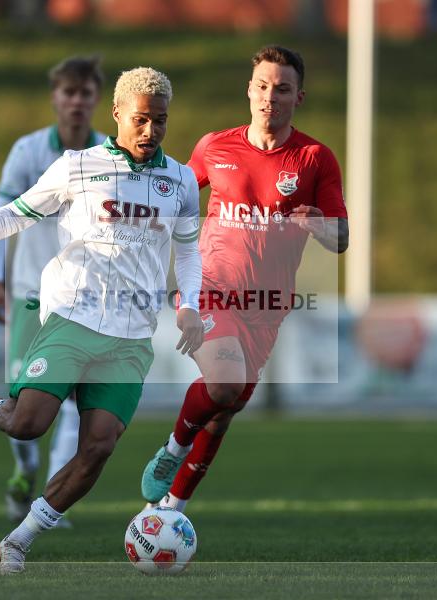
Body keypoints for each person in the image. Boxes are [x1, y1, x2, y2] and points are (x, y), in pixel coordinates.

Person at [0, 67, 204, 574]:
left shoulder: (180, 180)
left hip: (132, 336)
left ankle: (19, 540)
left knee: (97, 447)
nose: (151, 131)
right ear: (117, 114)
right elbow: (19, 212)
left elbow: (188, 253)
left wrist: (190, 307)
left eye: (160, 121)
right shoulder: (77, 165)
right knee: (28, 425)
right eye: (141, 120)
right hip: (73, 315)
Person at [140, 45, 349, 512]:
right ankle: (172, 450)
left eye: (282, 89)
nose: (269, 97)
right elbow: (171, 196)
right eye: (261, 86)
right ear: (248, 91)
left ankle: (171, 511)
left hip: (267, 308)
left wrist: (320, 225)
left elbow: (341, 238)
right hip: (210, 289)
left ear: (299, 97)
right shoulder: (215, 147)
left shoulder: (316, 159)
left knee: (224, 411)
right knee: (227, 382)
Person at [0, 55, 106, 525]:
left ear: (98, 101)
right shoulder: (29, 151)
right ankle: (25, 467)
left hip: (87, 298)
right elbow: (0, 218)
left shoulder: (109, 156)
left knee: (76, 397)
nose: (77, 102)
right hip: (30, 292)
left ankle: (50, 502)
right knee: (21, 401)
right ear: (55, 98)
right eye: (69, 93)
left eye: (86, 94)